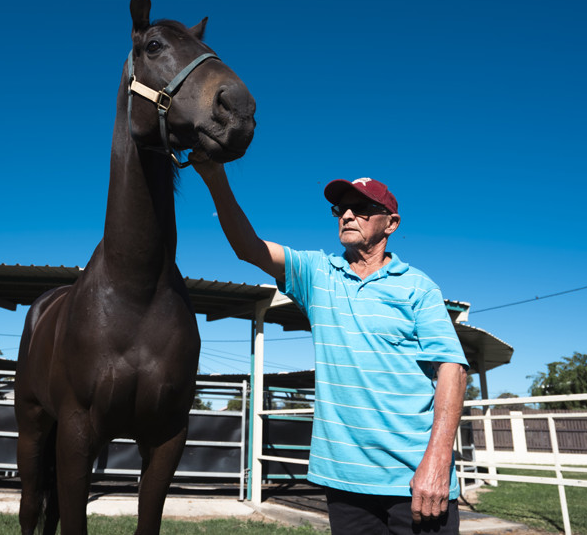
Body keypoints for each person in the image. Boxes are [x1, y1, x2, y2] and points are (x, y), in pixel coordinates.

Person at [193, 161, 469, 535]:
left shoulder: (419, 288)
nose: (348, 215)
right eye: (341, 209)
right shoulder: (316, 274)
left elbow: (452, 367)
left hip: (415, 480)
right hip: (344, 481)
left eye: (363, 208)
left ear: (391, 223)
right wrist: (214, 176)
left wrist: (438, 461)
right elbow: (248, 247)